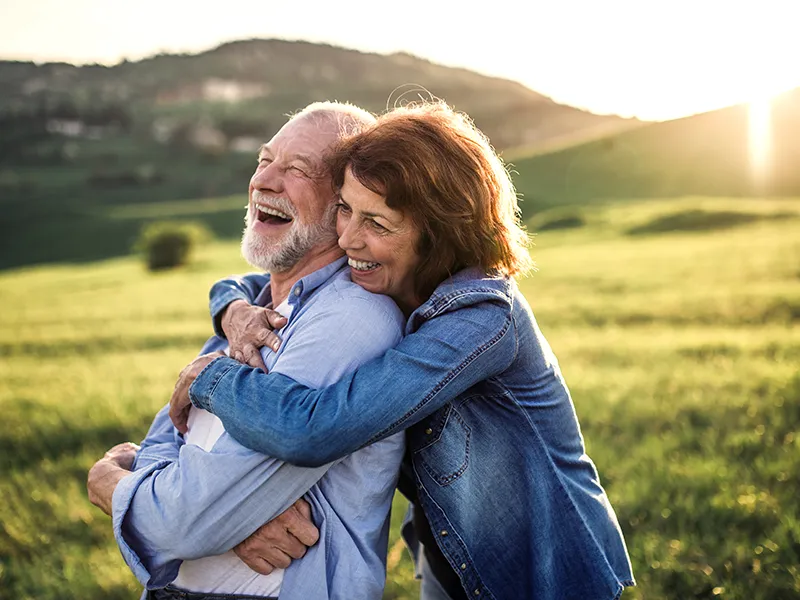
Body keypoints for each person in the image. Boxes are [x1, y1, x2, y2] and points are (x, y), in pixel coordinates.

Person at [170, 101, 636, 600]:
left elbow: (316, 428)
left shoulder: (481, 320)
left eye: (378, 223)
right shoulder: (394, 278)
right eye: (346, 209)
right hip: (449, 555)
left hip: (540, 572)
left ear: (437, 235)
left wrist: (209, 378)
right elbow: (248, 282)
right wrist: (234, 312)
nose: (348, 238)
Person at [86, 102, 408, 600]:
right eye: (264, 161)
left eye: (297, 169)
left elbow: (184, 522)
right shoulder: (249, 314)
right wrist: (227, 516)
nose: (265, 181)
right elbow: (167, 441)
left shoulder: (350, 319)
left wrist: (107, 482)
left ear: (344, 205)